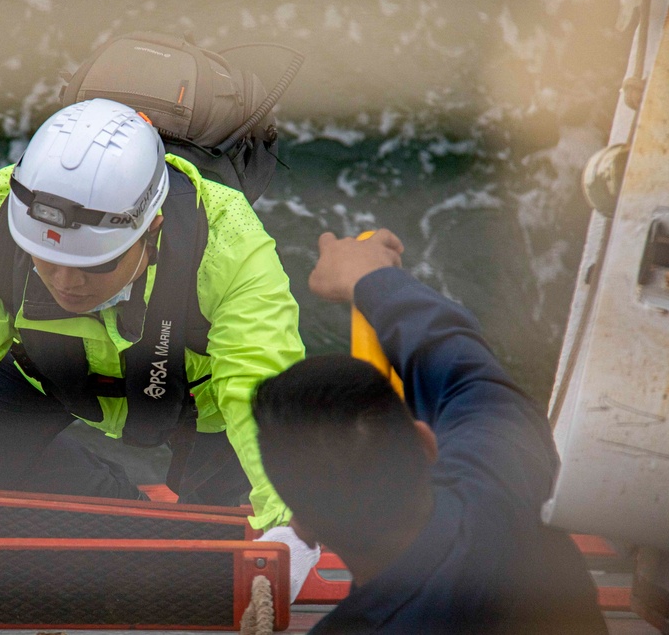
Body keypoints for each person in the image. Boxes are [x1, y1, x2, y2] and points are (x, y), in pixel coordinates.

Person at [0, 97, 319, 600]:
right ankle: (103, 492)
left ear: (152, 231)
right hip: (51, 376)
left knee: (209, 569)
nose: (64, 283)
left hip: (198, 402)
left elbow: (263, 391)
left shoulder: (229, 245)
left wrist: (290, 520)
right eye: (44, 258)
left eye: (93, 265)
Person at [251, 229, 607, 633]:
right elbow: (456, 360)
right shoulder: (503, 475)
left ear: (305, 525)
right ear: (425, 441)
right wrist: (368, 277)